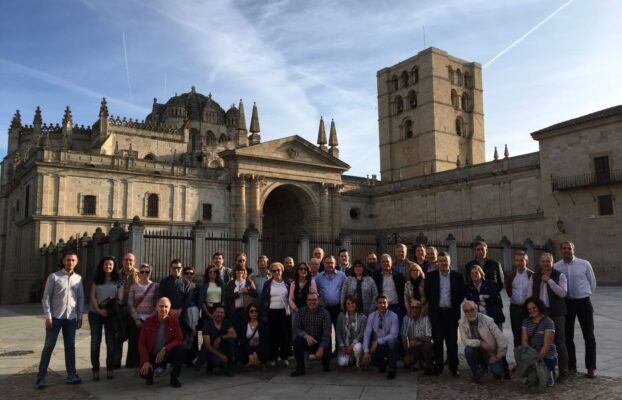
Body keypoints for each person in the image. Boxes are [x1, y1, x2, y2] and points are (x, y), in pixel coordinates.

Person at [35, 252, 84, 389]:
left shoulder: (78, 279)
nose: (70, 262)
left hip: (71, 318)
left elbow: (80, 299)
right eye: (68, 260)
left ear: (76, 262)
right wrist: (48, 317)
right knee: (48, 347)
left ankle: (71, 374)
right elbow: (46, 298)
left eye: (73, 260)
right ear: (63, 261)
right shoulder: (54, 277)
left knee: (70, 347)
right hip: (55, 317)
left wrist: (80, 316)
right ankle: (41, 377)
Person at [554, 241, 597, 378]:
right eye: (564, 248)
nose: (567, 250)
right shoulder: (557, 266)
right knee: (567, 336)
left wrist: (585, 293)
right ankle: (572, 366)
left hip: (583, 302)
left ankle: (591, 367)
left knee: (589, 336)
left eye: (569, 248)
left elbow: (592, 282)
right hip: (567, 303)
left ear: (574, 250)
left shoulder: (584, 264)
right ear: (561, 250)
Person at [529, 252, 569, 380]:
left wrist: (550, 281)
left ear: (552, 263)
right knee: (543, 343)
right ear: (540, 263)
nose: (545, 264)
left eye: (548, 261)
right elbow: (531, 295)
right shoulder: (534, 277)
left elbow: (563, 293)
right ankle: (547, 371)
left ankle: (563, 372)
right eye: (543, 261)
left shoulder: (560, 275)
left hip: (556, 313)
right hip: (541, 314)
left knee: (560, 342)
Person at [424, 252, 465, 377]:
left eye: (445, 260)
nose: (443, 263)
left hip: (451, 313)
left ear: (449, 261)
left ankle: (454, 366)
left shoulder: (457, 276)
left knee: (452, 342)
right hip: (437, 313)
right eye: (441, 260)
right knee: (437, 341)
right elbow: (427, 293)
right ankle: (439, 366)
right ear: (438, 262)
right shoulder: (431, 276)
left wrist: (452, 305)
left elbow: (461, 294)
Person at [138, 297, 187, 388]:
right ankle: (150, 375)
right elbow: (141, 343)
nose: (163, 309)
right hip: (151, 355)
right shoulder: (148, 322)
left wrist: (165, 348)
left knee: (181, 349)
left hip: (166, 354)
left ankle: (174, 377)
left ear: (169, 309)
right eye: (161, 306)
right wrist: (145, 361)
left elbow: (179, 339)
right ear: (156, 307)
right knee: (144, 374)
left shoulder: (174, 321)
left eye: (166, 307)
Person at [89, 256, 124, 380]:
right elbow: (92, 296)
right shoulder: (97, 279)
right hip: (95, 313)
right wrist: (98, 310)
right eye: (105, 264)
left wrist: (109, 310)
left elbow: (119, 298)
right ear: (102, 266)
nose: (108, 266)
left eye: (110, 264)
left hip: (111, 315)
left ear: (114, 266)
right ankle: (95, 370)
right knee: (95, 342)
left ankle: (110, 369)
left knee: (110, 342)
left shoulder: (118, 280)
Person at [459, 300, 510, 384]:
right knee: (468, 350)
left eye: (472, 309)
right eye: (466, 311)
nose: (470, 312)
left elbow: (502, 340)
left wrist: (497, 356)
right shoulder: (461, 322)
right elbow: (465, 340)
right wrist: (480, 343)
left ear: (477, 309)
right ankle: (476, 375)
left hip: (491, 352)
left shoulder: (488, 320)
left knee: (498, 372)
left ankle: (487, 367)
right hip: (477, 351)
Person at [291, 292, 333, 377]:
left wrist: (321, 348)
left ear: (318, 301)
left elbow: (327, 333)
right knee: (297, 341)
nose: (312, 302)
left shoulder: (325, 313)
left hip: (321, 341)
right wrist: (305, 335)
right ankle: (300, 368)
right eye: (309, 300)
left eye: (314, 300)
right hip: (308, 341)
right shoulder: (301, 312)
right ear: (306, 301)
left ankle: (325, 362)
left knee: (326, 365)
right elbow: (295, 328)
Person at [519, 297, 557, 387]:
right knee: (532, 380)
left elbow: (546, 346)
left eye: (534, 308)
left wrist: (537, 359)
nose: (532, 310)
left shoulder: (548, 322)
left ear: (539, 307)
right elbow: (524, 341)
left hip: (546, 354)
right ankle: (534, 373)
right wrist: (531, 357)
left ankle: (549, 374)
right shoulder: (526, 321)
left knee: (542, 379)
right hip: (532, 352)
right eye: (529, 309)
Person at [259, 262, 292, 366]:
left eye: (278, 270)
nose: (276, 272)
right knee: (273, 336)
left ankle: (284, 356)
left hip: (285, 312)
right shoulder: (268, 284)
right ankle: (273, 357)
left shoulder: (288, 282)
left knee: (285, 335)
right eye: (274, 270)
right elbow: (264, 299)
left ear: (282, 270)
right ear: (271, 272)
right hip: (272, 312)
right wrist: (264, 313)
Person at [127, 263, 158, 367]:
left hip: (150, 319)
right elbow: (130, 303)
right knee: (135, 341)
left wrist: (152, 317)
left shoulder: (155, 286)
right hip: (137, 319)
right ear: (139, 273)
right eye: (142, 271)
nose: (144, 273)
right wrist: (136, 318)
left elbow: (156, 303)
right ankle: (133, 363)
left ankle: (148, 362)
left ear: (150, 273)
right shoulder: (132, 286)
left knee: (149, 341)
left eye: (147, 272)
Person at [362, 295, 400, 379]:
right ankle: (383, 363)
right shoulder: (371, 316)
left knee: (392, 342)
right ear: (376, 304)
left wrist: (378, 341)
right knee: (374, 361)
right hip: (379, 345)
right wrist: (366, 351)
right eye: (380, 303)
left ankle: (391, 369)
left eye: (384, 303)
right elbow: (367, 334)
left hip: (389, 344)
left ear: (388, 304)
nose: (382, 305)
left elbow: (393, 335)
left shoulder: (394, 316)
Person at [504, 251, 534, 348]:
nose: (519, 263)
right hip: (515, 309)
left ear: (526, 261)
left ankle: (530, 361)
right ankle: (519, 361)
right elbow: (508, 291)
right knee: (517, 336)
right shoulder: (510, 275)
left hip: (529, 310)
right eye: (517, 260)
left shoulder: (532, 275)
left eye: (521, 260)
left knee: (530, 335)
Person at [198, 304, 237, 376]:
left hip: (222, 347)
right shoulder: (207, 325)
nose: (220, 314)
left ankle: (229, 366)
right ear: (213, 313)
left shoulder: (226, 322)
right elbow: (207, 345)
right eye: (217, 312)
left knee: (231, 342)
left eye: (222, 313)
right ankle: (210, 364)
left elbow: (234, 334)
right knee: (216, 362)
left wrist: (220, 338)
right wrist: (220, 356)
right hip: (211, 349)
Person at [117, 252, 139, 368]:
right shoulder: (117, 275)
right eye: (126, 260)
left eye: (131, 260)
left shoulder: (139, 275)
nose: (128, 262)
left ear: (134, 262)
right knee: (119, 336)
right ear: (122, 261)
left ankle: (131, 363)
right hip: (120, 310)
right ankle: (116, 363)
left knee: (133, 337)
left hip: (133, 310)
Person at [401, 299, 434, 375]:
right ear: (410, 308)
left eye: (417, 307)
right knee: (407, 362)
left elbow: (429, 337)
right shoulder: (406, 319)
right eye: (412, 307)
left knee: (427, 345)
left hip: (424, 346)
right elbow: (403, 337)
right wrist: (407, 353)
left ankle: (429, 366)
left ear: (421, 308)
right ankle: (417, 362)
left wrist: (417, 338)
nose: (414, 309)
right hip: (413, 348)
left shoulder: (426, 318)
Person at [336, 295, 367, 368]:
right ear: (345, 305)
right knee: (342, 363)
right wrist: (342, 347)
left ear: (356, 304)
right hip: (345, 346)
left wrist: (352, 345)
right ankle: (350, 358)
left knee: (357, 348)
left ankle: (358, 362)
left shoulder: (363, 317)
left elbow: (361, 334)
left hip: (356, 344)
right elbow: (338, 333)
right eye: (348, 303)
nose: (350, 305)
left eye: (353, 303)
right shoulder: (341, 316)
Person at [226, 265, 258, 336]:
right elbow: (228, 297)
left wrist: (247, 291)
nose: (240, 272)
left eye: (242, 270)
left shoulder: (248, 281)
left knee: (245, 331)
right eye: (238, 270)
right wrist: (238, 293)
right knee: (236, 331)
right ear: (235, 272)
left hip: (246, 310)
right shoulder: (231, 283)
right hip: (235, 311)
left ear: (244, 272)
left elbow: (255, 293)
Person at [315, 255, 347, 327]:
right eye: (327, 263)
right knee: (326, 333)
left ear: (335, 263)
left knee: (339, 332)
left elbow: (346, 291)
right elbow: (315, 292)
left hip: (338, 309)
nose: (330, 264)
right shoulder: (318, 277)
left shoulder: (342, 276)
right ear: (323, 263)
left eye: (331, 263)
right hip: (324, 309)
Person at [372, 254, 405, 318]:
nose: (385, 263)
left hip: (396, 308)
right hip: (381, 308)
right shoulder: (376, 276)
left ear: (391, 262)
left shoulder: (399, 276)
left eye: (387, 261)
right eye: (383, 262)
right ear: (380, 264)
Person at [238, 302, 269, 367]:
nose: (254, 313)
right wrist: (249, 353)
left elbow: (264, 341)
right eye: (251, 311)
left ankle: (255, 360)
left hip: (259, 348)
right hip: (248, 348)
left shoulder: (262, 324)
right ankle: (253, 360)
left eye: (256, 311)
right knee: (241, 355)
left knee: (266, 353)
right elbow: (243, 341)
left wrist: (256, 352)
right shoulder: (244, 324)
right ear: (248, 313)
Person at [289, 262, 318, 328]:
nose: (303, 270)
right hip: (296, 312)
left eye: (305, 269)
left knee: (308, 331)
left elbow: (314, 297)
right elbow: (290, 299)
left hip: (309, 311)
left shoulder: (311, 282)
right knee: (296, 332)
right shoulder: (293, 283)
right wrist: (296, 309)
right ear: (297, 270)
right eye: (301, 269)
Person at [183, 265, 200, 366]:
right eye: (187, 273)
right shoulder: (180, 285)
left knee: (194, 334)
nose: (189, 275)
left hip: (195, 312)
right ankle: (184, 358)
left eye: (191, 273)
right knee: (186, 334)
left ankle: (192, 357)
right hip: (185, 312)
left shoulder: (197, 286)